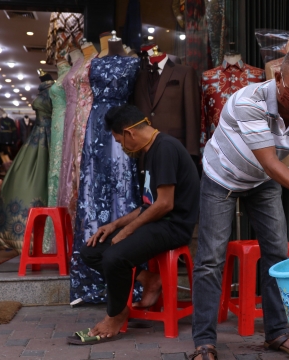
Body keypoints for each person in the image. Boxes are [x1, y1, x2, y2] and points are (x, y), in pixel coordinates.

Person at [191, 49, 289, 360]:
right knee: (211, 259)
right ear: (278, 78)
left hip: (260, 181)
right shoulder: (249, 101)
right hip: (221, 177)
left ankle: (277, 333)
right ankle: (204, 342)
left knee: (277, 252)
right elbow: (273, 163)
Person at [69, 104, 200, 343]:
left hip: (174, 226)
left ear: (130, 133)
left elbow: (165, 205)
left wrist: (128, 231)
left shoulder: (165, 148)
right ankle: (149, 280)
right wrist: (115, 225)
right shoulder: (149, 151)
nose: (122, 146)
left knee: (114, 256)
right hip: (158, 221)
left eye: (120, 142)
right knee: (91, 251)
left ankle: (116, 316)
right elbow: (148, 204)